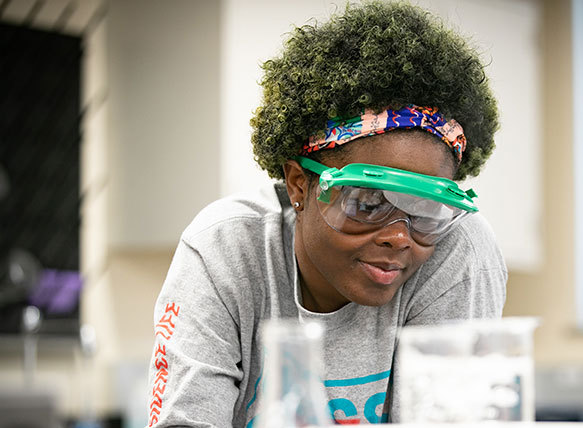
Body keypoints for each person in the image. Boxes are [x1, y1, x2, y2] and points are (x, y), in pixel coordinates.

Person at [147, 1, 507, 426]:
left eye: (426, 207)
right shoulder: (225, 249)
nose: (399, 237)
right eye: (368, 203)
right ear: (300, 184)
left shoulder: (457, 249)